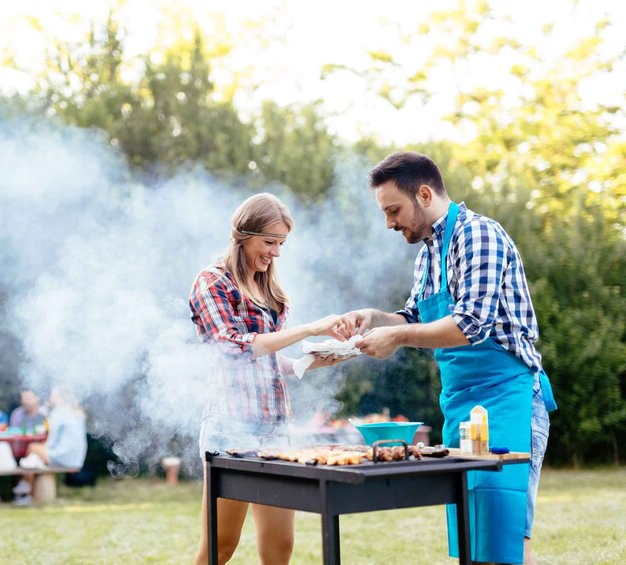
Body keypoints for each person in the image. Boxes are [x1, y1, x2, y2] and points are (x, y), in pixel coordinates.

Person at [337, 152, 557, 565]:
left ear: (424, 194)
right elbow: (414, 317)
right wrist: (375, 319)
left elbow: (470, 324)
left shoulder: (479, 236)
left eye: (393, 210)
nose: (389, 223)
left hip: (507, 401)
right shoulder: (427, 254)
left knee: (502, 540)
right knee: (471, 540)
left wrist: (398, 336)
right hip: (461, 408)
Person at [188, 192, 350, 564]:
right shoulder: (212, 282)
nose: (276, 252)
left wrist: (307, 363)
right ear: (244, 234)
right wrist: (309, 329)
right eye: (269, 242)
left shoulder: (269, 291)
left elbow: (267, 358)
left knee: (280, 548)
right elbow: (234, 348)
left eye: (281, 244)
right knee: (220, 546)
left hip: (275, 430)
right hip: (230, 430)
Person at [14, 387, 88, 504]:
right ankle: (27, 488)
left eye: (53, 395)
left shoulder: (58, 412)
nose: (49, 398)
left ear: (60, 398)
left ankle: (26, 487)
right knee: (35, 457)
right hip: (77, 458)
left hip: (63, 457)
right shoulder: (76, 412)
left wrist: (42, 447)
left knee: (32, 447)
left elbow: (51, 441)